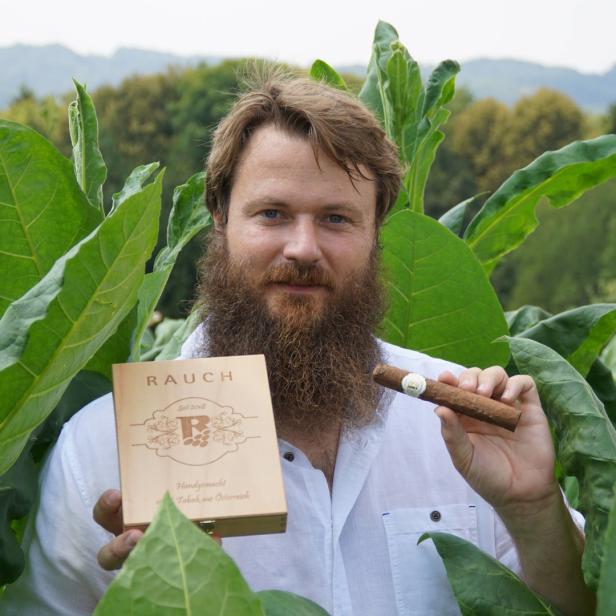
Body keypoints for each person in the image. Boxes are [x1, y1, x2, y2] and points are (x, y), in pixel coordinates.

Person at [2, 72, 593, 615]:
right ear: (219, 219)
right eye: (273, 213)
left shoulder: (459, 426)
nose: (304, 248)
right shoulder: (104, 449)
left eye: (337, 218)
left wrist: (532, 508)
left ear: (375, 234)